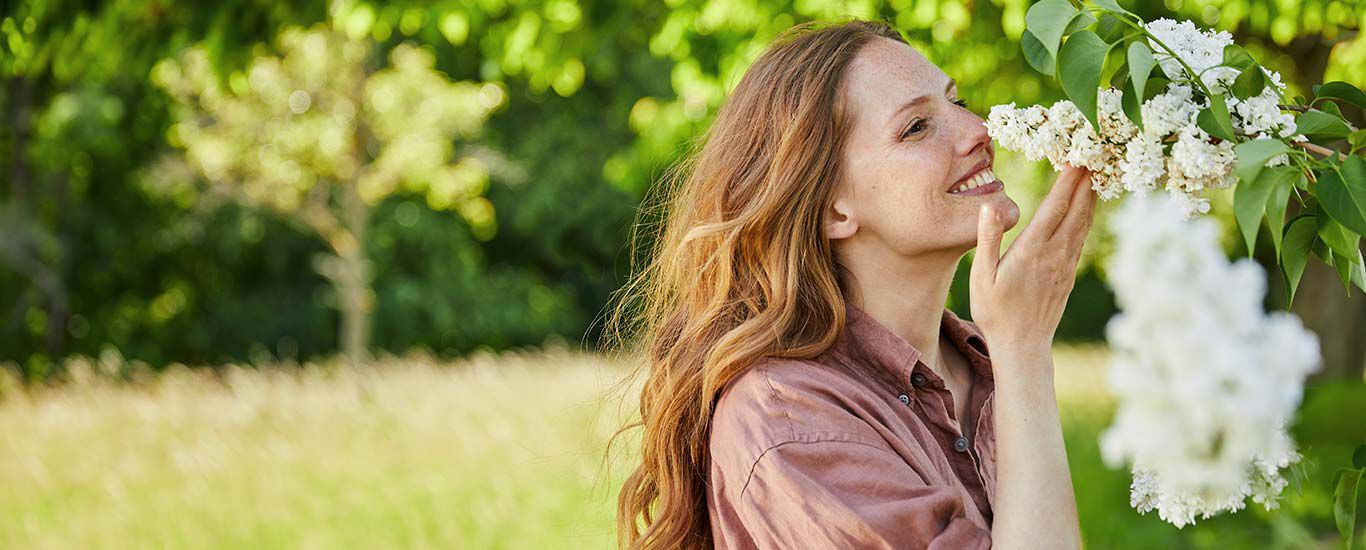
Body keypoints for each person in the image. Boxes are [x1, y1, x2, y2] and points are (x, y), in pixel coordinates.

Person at [605, 17, 1094, 550]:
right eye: (916, 127)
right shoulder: (789, 421)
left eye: (956, 102)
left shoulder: (982, 366)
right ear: (833, 209)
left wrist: (1015, 353)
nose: (979, 130)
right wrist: (1025, 348)